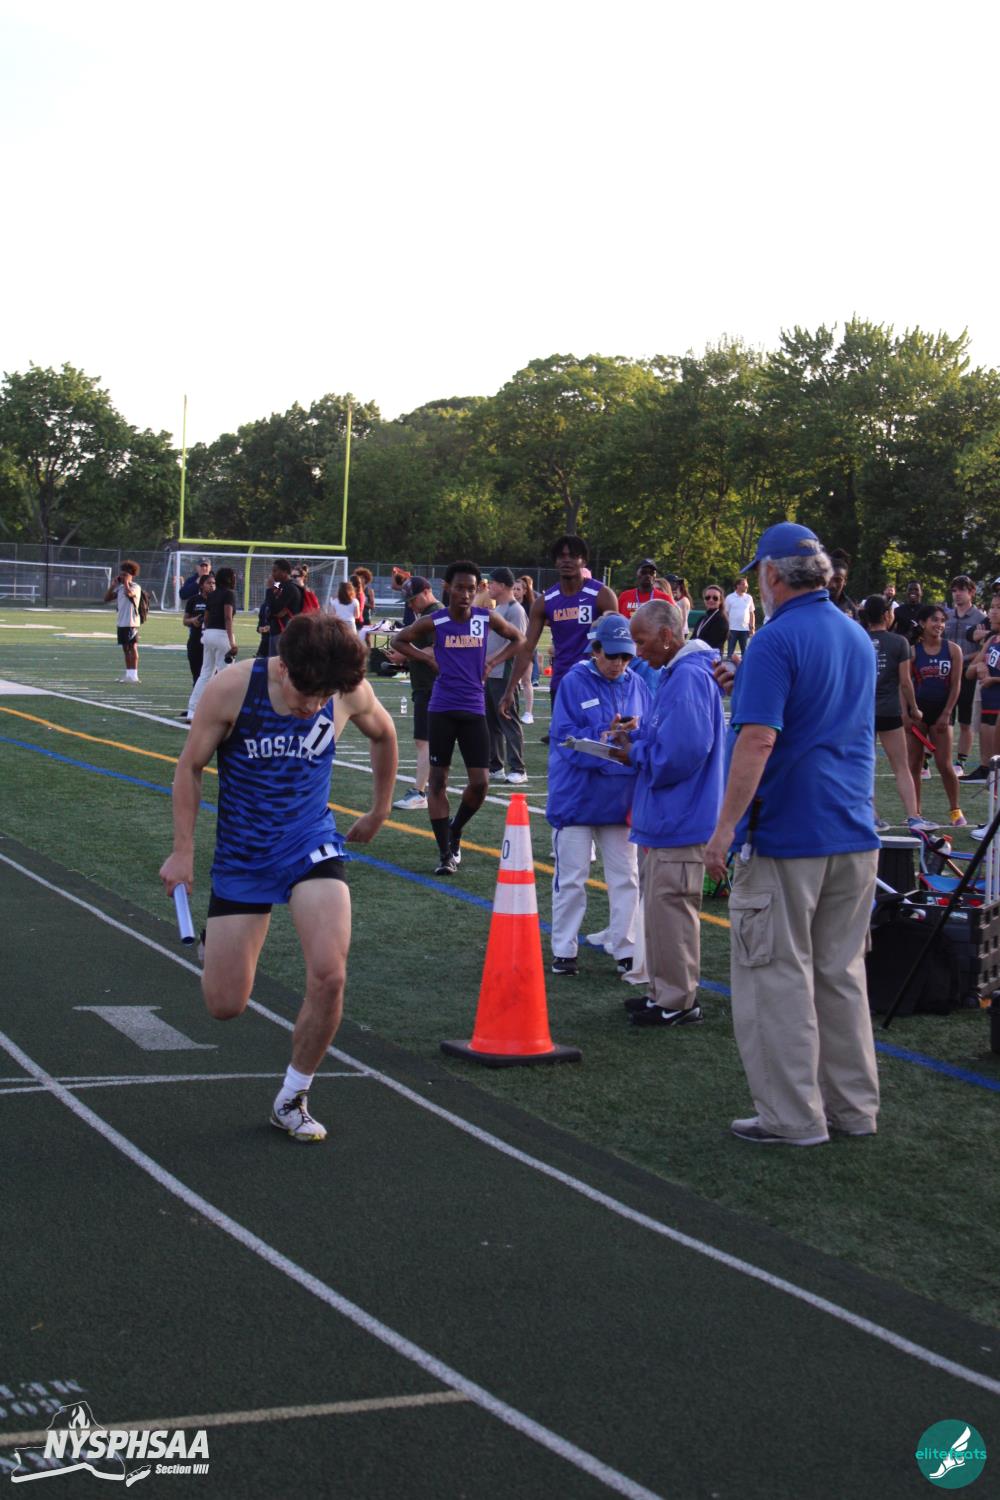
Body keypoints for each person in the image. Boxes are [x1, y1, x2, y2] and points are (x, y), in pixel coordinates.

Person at [159, 614, 398, 1142]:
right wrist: (182, 852)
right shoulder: (232, 688)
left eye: (324, 697)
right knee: (225, 1004)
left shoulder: (343, 689)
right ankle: (215, 943)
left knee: (330, 974)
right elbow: (190, 767)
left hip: (310, 844)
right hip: (243, 856)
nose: (313, 707)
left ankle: (293, 1096)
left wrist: (379, 809)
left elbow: (384, 733)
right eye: (305, 695)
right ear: (283, 666)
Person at [704, 522, 881, 1146]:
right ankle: (853, 1108)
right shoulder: (856, 635)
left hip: (787, 833)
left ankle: (792, 1115)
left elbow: (758, 740)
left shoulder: (775, 640)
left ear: (772, 575)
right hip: (852, 827)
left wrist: (723, 829)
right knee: (841, 975)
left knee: (776, 975)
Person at [607, 600, 725, 1026]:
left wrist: (635, 752)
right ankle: (663, 993)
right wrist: (640, 735)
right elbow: (674, 738)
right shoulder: (682, 673)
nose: (637, 652)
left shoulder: (688, 676)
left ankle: (677, 1000)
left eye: (641, 642)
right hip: (670, 816)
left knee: (672, 912)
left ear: (666, 635)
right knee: (660, 912)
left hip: (681, 816)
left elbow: (684, 751)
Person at [391, 561, 525, 875]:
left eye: (471, 588)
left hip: (474, 709)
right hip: (441, 708)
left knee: (480, 783)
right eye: (459, 587)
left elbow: (519, 639)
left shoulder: (484, 618)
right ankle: (445, 854)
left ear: (477, 590)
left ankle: (456, 829)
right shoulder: (436, 621)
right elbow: (398, 641)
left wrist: (492, 662)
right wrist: (426, 658)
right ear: (448, 588)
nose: (465, 594)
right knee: (438, 781)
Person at [548, 614, 649, 975]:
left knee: (626, 877)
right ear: (596, 650)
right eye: (612, 655)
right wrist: (604, 734)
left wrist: (633, 733)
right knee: (572, 879)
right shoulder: (573, 682)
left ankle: (625, 948)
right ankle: (564, 949)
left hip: (619, 798)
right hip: (577, 797)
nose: (619, 663)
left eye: (626, 656)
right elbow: (565, 738)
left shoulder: (638, 684)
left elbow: (650, 731)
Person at [502, 535, 617, 738]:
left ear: (584, 561)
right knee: (563, 744)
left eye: (573, 556)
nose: (567, 560)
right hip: (562, 683)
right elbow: (527, 648)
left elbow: (616, 643)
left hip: (596, 683)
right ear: (555, 561)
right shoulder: (545, 602)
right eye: (562, 556)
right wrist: (510, 689)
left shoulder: (602, 594)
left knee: (599, 742)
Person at [862, 594, 936, 833]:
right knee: (901, 766)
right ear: (887, 615)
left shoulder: (858, 638)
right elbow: (905, 681)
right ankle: (914, 817)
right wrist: (914, 708)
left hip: (864, 711)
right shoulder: (899, 642)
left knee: (866, 765)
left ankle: (871, 816)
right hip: (890, 711)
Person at [907, 603, 966, 828]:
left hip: (943, 712)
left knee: (944, 764)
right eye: (934, 620)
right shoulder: (913, 651)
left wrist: (947, 713)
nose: (939, 625)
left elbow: (956, 685)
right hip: (918, 713)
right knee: (914, 764)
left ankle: (955, 811)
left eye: (942, 621)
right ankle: (915, 812)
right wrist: (907, 713)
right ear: (923, 623)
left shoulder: (953, 650)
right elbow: (904, 684)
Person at [391, 576, 439, 811]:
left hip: (430, 686)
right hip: (425, 685)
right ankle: (427, 788)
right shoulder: (428, 614)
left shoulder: (434, 614)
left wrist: (406, 653)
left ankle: (419, 791)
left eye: (414, 599)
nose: (411, 605)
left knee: (425, 740)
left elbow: (435, 650)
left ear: (427, 591)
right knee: (426, 741)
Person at [484, 567, 529, 785]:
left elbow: (518, 643)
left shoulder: (515, 610)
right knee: (491, 722)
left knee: (508, 719)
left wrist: (492, 659)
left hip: (504, 673)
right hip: (491, 673)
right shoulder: (499, 608)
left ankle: (518, 768)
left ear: (502, 585)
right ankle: (496, 766)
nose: (488, 587)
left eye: (491, 583)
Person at [943, 575, 987, 776]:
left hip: (968, 674)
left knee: (965, 720)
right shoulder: (946, 616)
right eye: (954, 590)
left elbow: (984, 650)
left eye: (961, 589)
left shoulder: (981, 619)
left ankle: (960, 762)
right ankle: (938, 759)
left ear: (971, 592)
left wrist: (960, 659)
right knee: (945, 717)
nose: (957, 594)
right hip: (946, 673)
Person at [186, 566, 239, 721]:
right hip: (222, 634)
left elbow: (207, 616)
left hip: (208, 634)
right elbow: (228, 617)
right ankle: (224, 711)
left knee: (205, 673)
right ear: (229, 579)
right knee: (226, 674)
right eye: (233, 576)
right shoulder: (229, 594)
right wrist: (232, 642)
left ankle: (192, 710)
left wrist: (207, 632)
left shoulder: (212, 594)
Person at [967, 595, 1000, 835]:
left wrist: (993, 679)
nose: (994, 612)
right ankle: (993, 820)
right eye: (992, 607)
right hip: (989, 708)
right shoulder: (991, 639)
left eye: (999, 607)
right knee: (993, 768)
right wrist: (978, 667)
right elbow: (969, 672)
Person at [104, 560, 142, 683]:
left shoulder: (135, 587)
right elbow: (106, 598)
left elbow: (129, 594)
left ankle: (134, 675)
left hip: (131, 622)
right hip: (121, 622)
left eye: (125, 574)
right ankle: (128, 674)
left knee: (132, 647)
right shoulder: (120, 588)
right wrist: (113, 586)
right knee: (125, 649)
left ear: (132, 575)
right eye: (121, 574)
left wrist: (126, 582)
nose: (122, 576)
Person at [512, 576, 539, 723]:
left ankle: (529, 713)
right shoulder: (508, 605)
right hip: (511, 647)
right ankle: (511, 709)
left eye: (518, 589)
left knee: (526, 680)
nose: (515, 592)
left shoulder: (531, 607)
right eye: (513, 589)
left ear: (524, 591)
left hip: (527, 648)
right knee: (511, 680)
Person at [182, 571, 215, 687]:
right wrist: (193, 620)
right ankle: (197, 695)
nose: (212, 585)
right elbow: (185, 621)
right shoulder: (193, 600)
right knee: (197, 674)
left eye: (213, 583)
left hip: (211, 641)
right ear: (201, 585)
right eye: (209, 583)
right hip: (196, 641)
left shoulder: (218, 600)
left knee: (212, 675)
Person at [266, 559, 303, 654]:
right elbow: (269, 608)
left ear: (285, 572)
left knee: (281, 661)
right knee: (273, 661)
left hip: (284, 633)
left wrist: (270, 589)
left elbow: (274, 609)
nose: (272, 574)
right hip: (276, 631)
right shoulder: (279, 586)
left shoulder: (290, 588)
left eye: (275, 571)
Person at [723, 576, 755, 658]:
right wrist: (727, 627)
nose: (746, 586)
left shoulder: (749, 598)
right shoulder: (729, 597)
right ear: (738, 586)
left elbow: (751, 613)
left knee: (745, 654)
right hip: (732, 629)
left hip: (745, 630)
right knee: (730, 654)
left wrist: (752, 627)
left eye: (746, 584)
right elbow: (725, 613)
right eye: (744, 584)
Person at [692, 584, 729, 650]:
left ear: (720, 601)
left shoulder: (721, 620)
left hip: (710, 655)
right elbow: (693, 637)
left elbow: (712, 643)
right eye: (707, 597)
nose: (711, 600)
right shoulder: (702, 618)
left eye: (715, 598)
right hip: (697, 653)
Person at [827, 549, 859, 620]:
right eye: (829, 579)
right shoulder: (812, 604)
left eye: (838, 580)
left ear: (845, 581)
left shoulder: (850, 608)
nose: (832, 585)